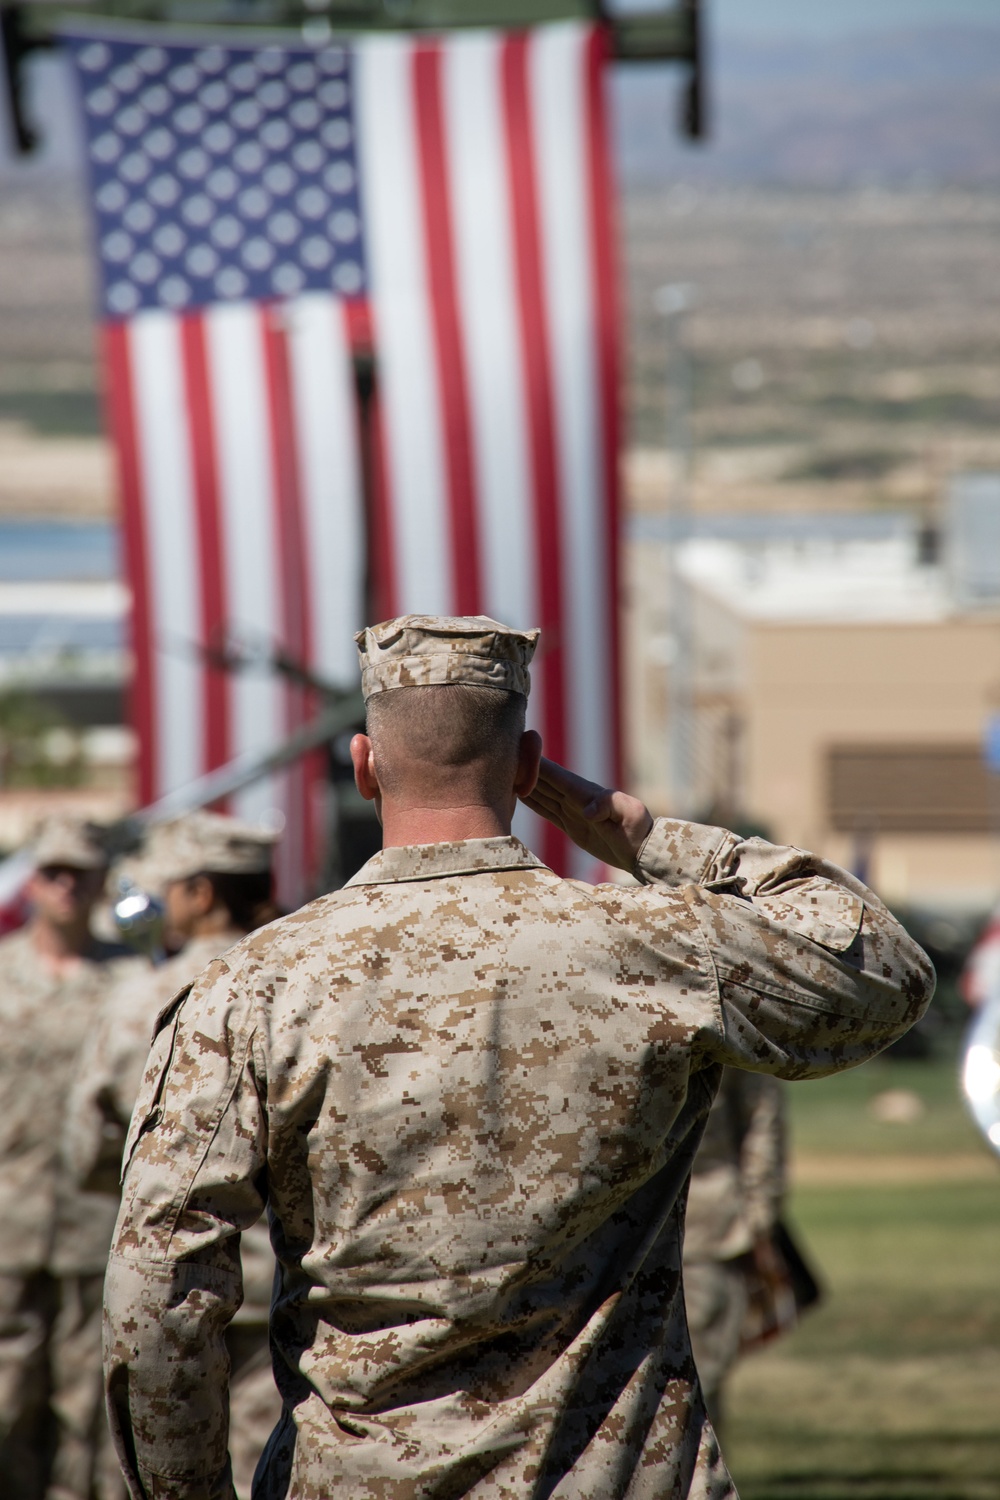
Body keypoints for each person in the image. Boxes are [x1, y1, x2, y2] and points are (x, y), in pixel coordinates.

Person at [103, 615, 934, 1500]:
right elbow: (883, 972)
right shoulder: (655, 944)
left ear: (364, 763)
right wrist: (643, 837)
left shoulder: (254, 985)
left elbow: (159, 1281)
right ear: (530, 765)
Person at [66, 812, 282, 1499]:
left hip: (170, 1296)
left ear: (199, 893)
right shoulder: (308, 979)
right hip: (289, 1295)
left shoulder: (142, 996)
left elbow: (88, 1144)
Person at [0, 816, 134, 1500]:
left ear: (100, 882)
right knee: (8, 1398)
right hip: (9, 1221)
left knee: (87, 1406)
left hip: (95, 1224)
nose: (66, 886)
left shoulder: (130, 978)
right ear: (31, 879)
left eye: (80, 873)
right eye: (53, 871)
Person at [683, 1069, 786, 1433]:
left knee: (696, 1381)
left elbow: (760, 1112)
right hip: (698, 1226)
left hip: (703, 1228)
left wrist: (758, 1219)